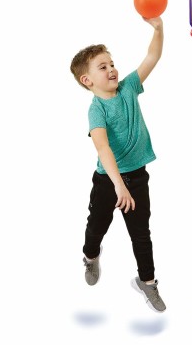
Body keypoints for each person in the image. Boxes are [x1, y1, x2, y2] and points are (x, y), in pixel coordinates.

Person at [70, 17, 166, 313]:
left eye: (111, 63)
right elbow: (103, 148)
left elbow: (152, 57)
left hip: (136, 177)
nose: (111, 69)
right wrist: (118, 186)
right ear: (87, 80)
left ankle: (147, 282)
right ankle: (90, 257)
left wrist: (158, 29)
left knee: (141, 234)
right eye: (102, 67)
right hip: (107, 182)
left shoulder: (128, 88)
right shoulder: (96, 110)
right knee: (96, 228)